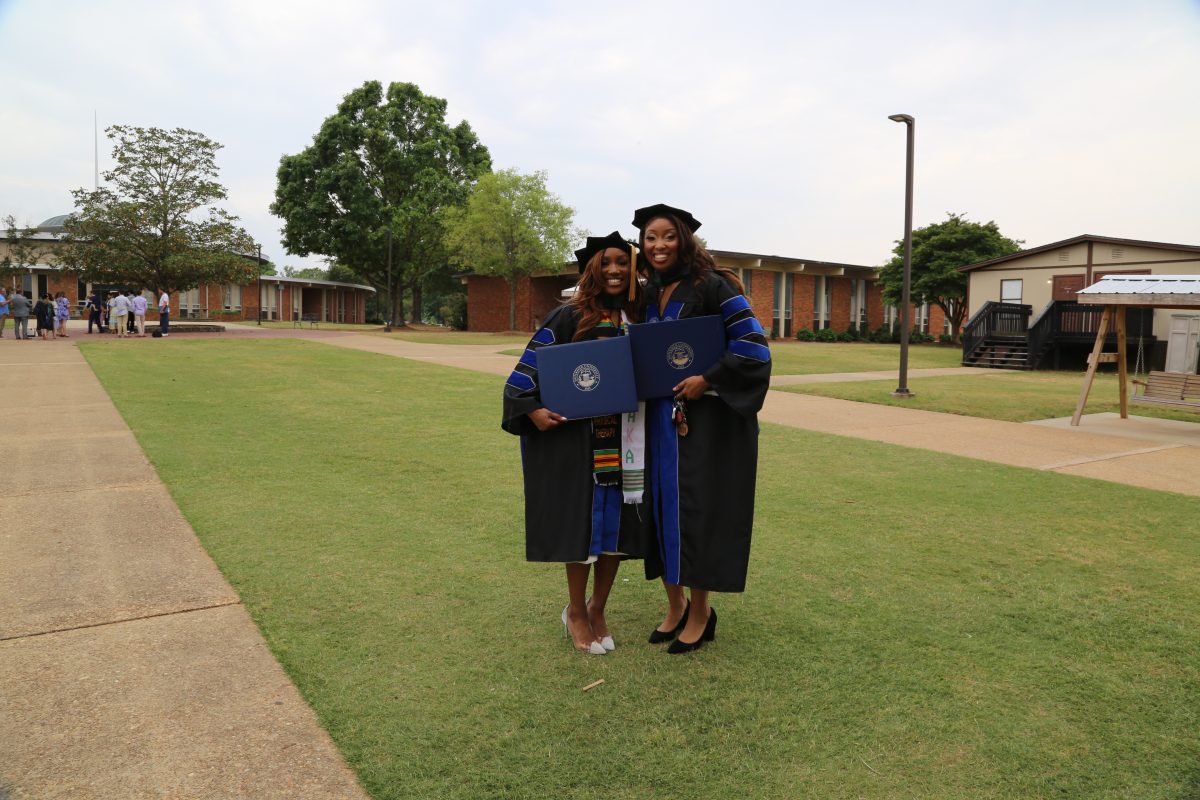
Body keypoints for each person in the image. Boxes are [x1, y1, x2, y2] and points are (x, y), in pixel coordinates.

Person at [502, 232, 653, 655]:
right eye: (605, 263)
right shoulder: (568, 316)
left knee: (618, 529)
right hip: (581, 442)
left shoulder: (640, 317)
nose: (614, 270)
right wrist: (532, 410)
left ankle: (598, 607)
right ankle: (574, 611)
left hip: (630, 438)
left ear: (634, 269)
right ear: (592, 269)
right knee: (583, 527)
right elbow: (522, 376)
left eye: (623, 262)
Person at [632, 203, 771, 654]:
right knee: (659, 509)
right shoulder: (647, 294)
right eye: (651, 238)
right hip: (657, 421)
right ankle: (673, 605)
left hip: (702, 424)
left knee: (697, 511)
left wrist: (707, 379)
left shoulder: (713, 288)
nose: (658, 246)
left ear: (684, 241)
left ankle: (700, 611)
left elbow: (754, 347)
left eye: (668, 236)